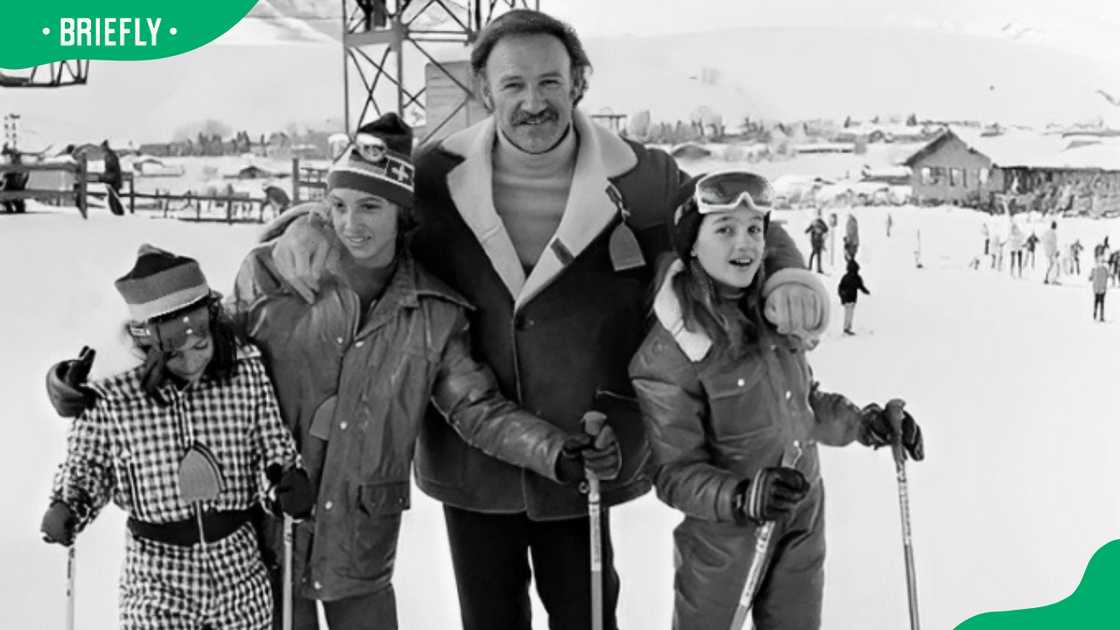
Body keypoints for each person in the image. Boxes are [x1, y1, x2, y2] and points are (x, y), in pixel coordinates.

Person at [264, 10, 828, 629]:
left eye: (550, 82)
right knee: (490, 620)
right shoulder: (431, 176)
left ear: (578, 82)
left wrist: (786, 273)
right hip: (469, 458)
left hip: (587, 446)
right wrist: (307, 228)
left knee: (587, 617)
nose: (533, 102)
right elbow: (356, 206)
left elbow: (734, 219)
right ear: (484, 90)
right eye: (512, 84)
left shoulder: (644, 177)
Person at [231, 113, 618, 630]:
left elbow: (476, 408)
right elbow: (206, 358)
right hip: (268, 527)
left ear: (401, 214)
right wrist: (132, 356)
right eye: (339, 207)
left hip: (359, 537)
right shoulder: (273, 273)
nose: (352, 224)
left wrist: (554, 450)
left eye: (371, 206)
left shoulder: (433, 312)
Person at [628, 171, 924, 630]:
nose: (743, 244)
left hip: (800, 520)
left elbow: (805, 406)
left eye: (753, 229)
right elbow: (672, 473)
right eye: (724, 229)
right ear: (692, 244)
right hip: (724, 539)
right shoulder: (671, 349)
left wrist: (865, 425)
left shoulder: (771, 315)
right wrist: (742, 495)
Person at [40, 244, 312, 630]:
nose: (192, 361)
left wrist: (285, 483)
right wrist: (70, 503)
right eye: (174, 356)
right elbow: (88, 465)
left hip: (237, 568)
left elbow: (271, 448)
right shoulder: (116, 396)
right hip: (156, 576)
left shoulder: (245, 373)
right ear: (147, 349)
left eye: (200, 345)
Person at [838, 258, 871, 335]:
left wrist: (866, 291)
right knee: (848, 314)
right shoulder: (855, 277)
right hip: (848, 299)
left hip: (850, 299)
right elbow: (861, 286)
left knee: (850, 314)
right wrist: (842, 296)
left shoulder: (847, 277)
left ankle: (848, 328)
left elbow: (860, 286)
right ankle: (846, 329)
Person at [101, 139, 126, 216]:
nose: (101, 149)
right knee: (114, 199)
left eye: (102, 147)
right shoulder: (110, 155)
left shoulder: (110, 156)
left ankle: (118, 215)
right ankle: (120, 214)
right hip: (113, 180)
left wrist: (104, 176)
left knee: (112, 200)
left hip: (113, 181)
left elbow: (111, 168)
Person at [804, 208, 828, 273]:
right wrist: (822, 231)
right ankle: (817, 268)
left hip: (815, 240)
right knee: (816, 254)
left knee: (815, 253)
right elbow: (826, 229)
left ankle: (811, 267)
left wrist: (808, 231)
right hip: (817, 240)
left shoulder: (815, 222)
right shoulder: (820, 222)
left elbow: (808, 230)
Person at [1090, 256, 1109, 322]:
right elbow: (1108, 276)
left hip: (1096, 289)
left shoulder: (1094, 269)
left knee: (1096, 301)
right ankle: (1101, 317)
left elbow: (1090, 278)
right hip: (1103, 288)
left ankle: (1095, 314)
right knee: (1102, 303)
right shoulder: (1105, 269)